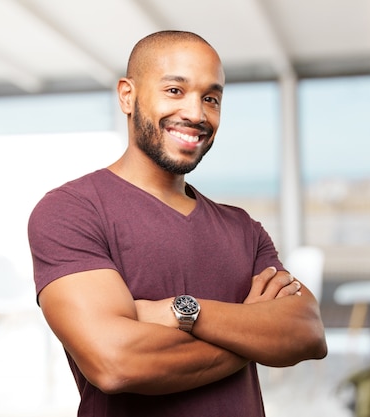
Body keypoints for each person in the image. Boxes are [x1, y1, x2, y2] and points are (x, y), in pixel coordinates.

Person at [28, 30, 327, 417]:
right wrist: (252, 332)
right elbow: (116, 363)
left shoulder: (244, 229)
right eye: (174, 91)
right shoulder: (72, 211)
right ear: (127, 96)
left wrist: (182, 311)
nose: (196, 114)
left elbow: (307, 332)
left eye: (211, 98)